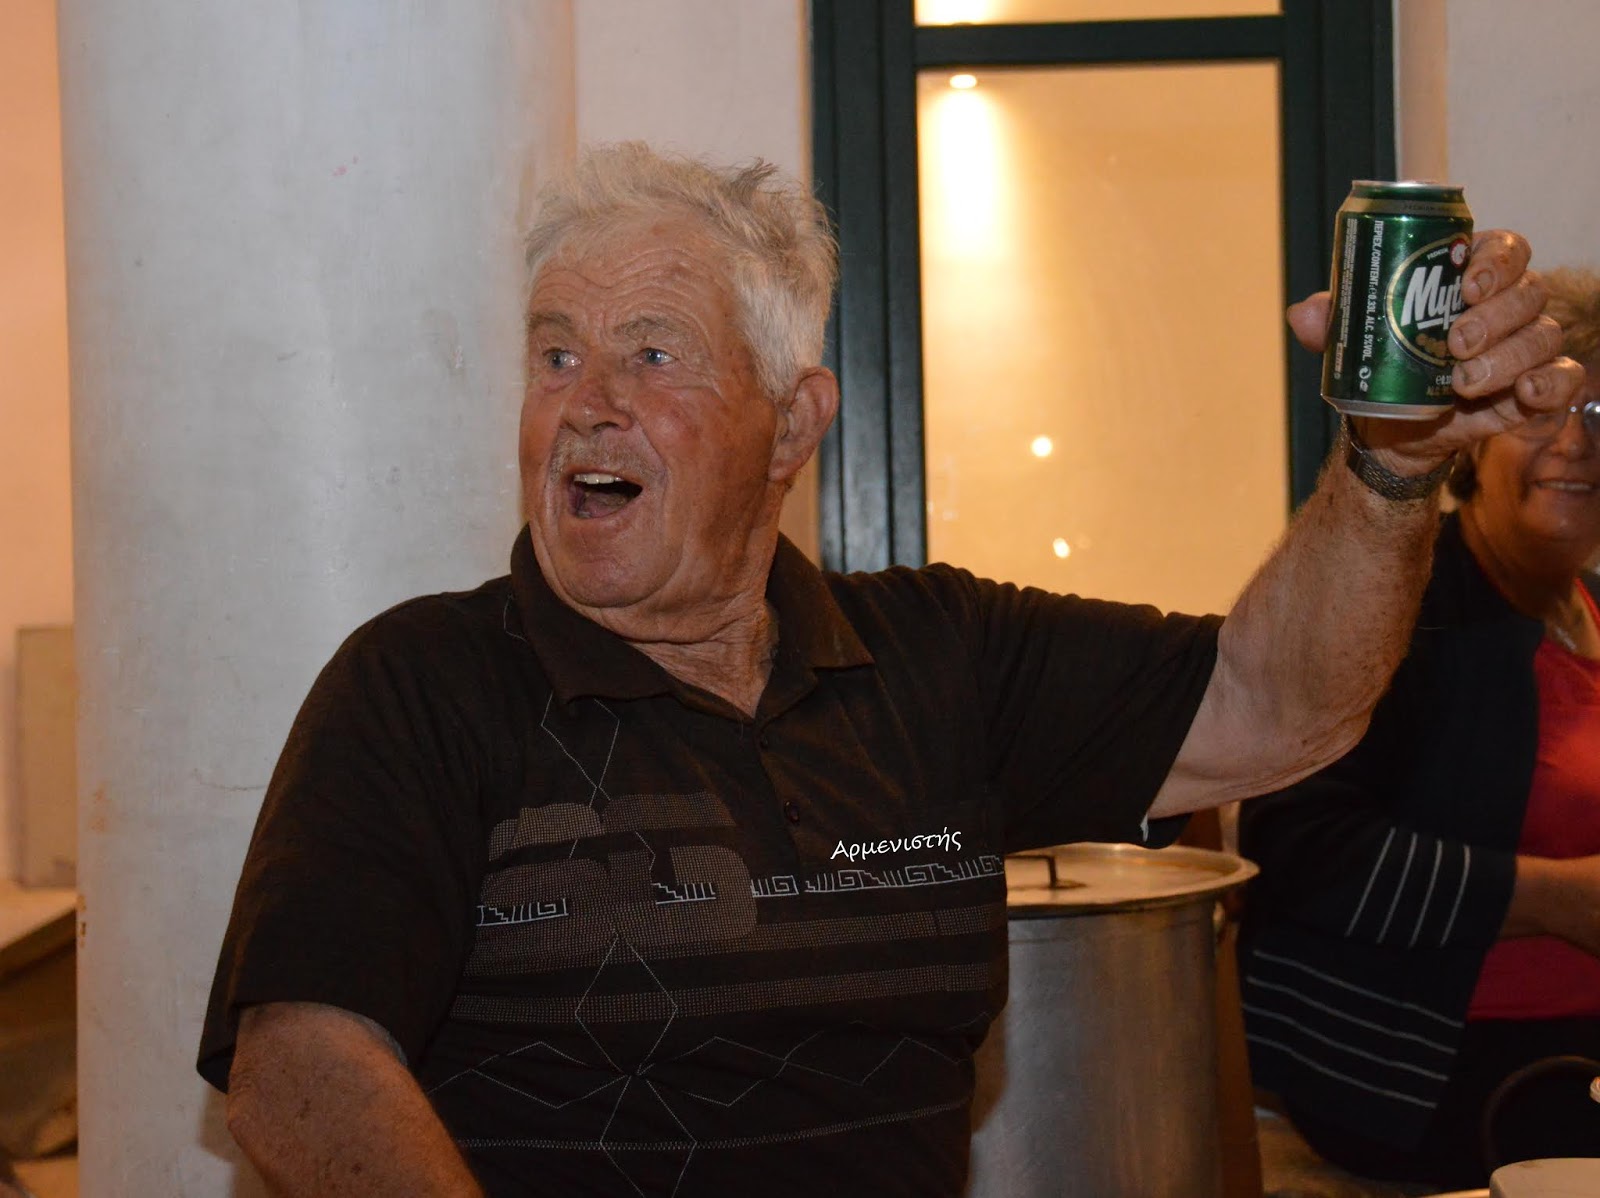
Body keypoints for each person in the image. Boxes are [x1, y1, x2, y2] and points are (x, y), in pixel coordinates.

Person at [197, 142, 1579, 1197]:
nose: (586, 402)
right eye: (555, 354)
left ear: (793, 424)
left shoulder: (938, 655)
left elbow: (1282, 706)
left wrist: (1393, 465)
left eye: (652, 353)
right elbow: (300, 1061)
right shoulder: (420, 684)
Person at [1239, 267, 1600, 1192]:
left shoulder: (1593, 610)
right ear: (1475, 439)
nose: (1575, 443)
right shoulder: (1402, 601)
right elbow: (1299, 846)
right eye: (1541, 411)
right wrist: (1557, 899)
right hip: (1431, 1100)